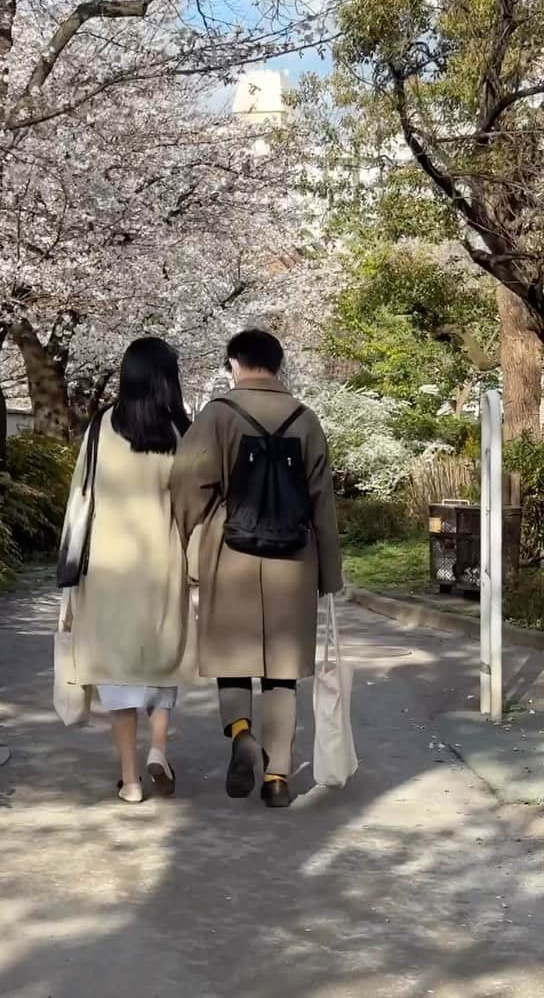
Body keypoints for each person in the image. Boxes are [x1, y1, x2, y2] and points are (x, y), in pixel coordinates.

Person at [171, 328, 342, 809]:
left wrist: (188, 539)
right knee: (281, 673)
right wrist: (329, 574)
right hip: (294, 560)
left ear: (233, 364)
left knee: (234, 660)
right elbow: (322, 502)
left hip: (233, 555)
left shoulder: (219, 415)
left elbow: (188, 483)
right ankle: (278, 776)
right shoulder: (306, 420)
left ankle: (242, 733)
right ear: (278, 365)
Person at [65, 337, 195, 804]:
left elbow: (81, 495)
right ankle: (158, 749)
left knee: (118, 673)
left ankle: (131, 780)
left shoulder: (100, 429)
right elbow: (195, 506)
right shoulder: (182, 432)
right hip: (163, 561)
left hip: (109, 566)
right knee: (161, 661)